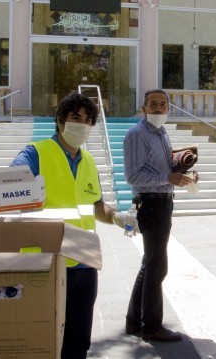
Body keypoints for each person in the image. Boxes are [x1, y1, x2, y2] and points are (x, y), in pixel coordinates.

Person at [10, 91, 135, 359]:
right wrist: (8, 185)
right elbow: (11, 181)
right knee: (44, 340)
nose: (82, 124)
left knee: (78, 343)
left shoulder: (89, 161)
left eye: (88, 120)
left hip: (84, 265)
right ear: (60, 121)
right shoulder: (36, 153)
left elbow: (96, 205)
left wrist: (118, 217)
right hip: (47, 263)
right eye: (75, 117)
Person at [123, 89, 198, 342]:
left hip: (164, 203)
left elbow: (165, 167)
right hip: (151, 205)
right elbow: (133, 176)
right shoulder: (137, 134)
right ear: (144, 108)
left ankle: (134, 322)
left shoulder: (162, 132)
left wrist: (184, 173)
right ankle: (152, 327)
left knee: (150, 264)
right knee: (157, 267)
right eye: (152, 104)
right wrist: (168, 178)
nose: (158, 108)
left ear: (168, 108)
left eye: (162, 104)